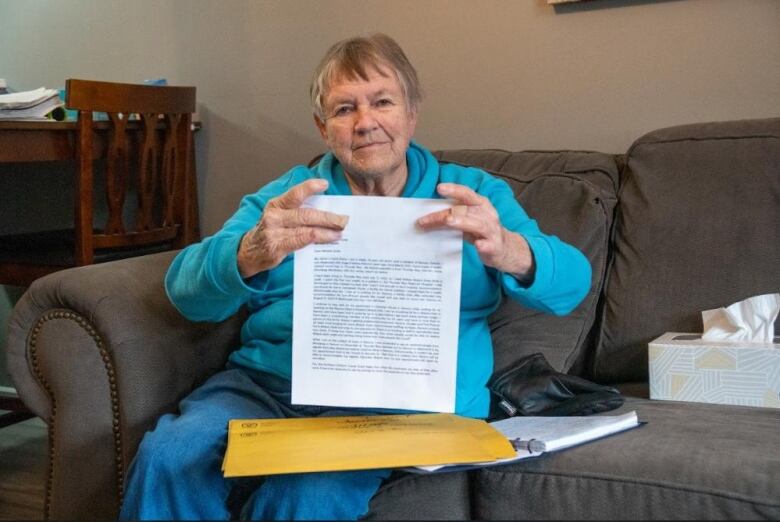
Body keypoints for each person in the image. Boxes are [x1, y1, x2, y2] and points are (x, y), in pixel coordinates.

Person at [119, 33, 591, 520]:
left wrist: (511, 251)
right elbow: (184, 293)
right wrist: (250, 252)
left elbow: (573, 284)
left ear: (411, 113)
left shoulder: (471, 194)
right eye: (344, 109)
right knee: (170, 455)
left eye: (382, 102)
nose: (365, 123)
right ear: (324, 128)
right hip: (270, 389)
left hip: (403, 405)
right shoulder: (289, 199)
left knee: (308, 492)